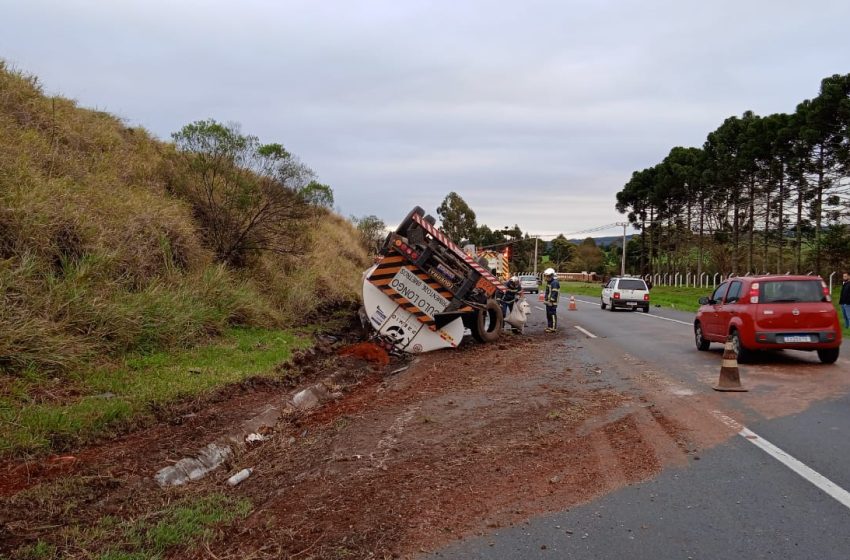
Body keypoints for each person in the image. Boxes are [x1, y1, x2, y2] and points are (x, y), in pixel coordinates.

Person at [543, 268, 560, 332]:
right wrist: (545, 299)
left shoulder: (554, 283)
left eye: (548, 276)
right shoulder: (549, 282)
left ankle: (553, 328)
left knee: (552, 314)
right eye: (546, 276)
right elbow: (547, 292)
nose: (546, 277)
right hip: (548, 301)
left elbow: (554, 293)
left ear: (552, 275)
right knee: (548, 314)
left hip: (553, 302)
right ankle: (549, 327)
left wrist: (551, 301)